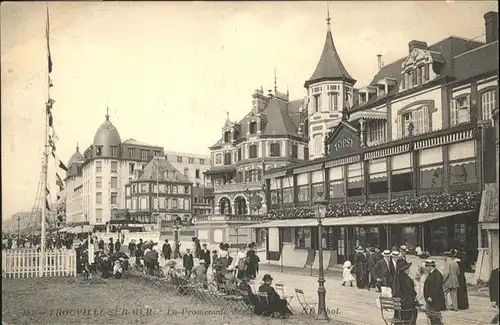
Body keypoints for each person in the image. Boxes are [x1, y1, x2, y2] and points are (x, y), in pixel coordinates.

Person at [393, 260, 418, 325]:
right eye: (408, 268)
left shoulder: (396, 277)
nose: (409, 270)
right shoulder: (407, 279)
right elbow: (412, 292)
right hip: (405, 305)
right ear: (405, 269)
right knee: (414, 310)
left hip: (397, 305)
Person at [423, 260, 446, 325]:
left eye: (426, 266)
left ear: (430, 266)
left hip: (435, 300)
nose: (425, 268)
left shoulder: (437, 274)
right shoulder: (432, 274)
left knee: (435, 317)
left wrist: (431, 297)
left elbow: (437, 287)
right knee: (432, 317)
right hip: (431, 300)